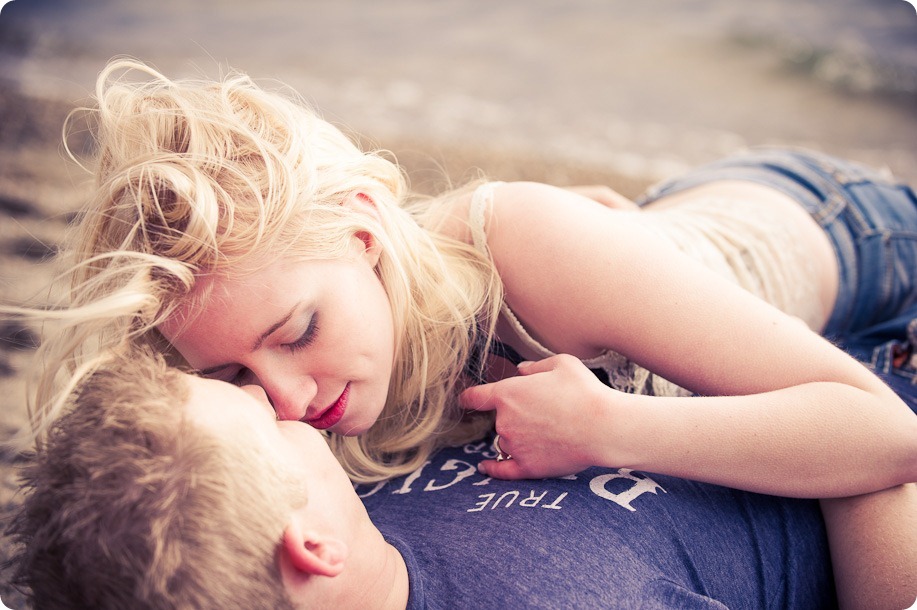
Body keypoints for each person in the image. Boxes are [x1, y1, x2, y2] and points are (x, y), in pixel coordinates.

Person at [8, 59, 917, 606]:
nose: (285, 399)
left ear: (366, 234)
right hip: (643, 281)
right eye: (235, 376)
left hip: (838, 232)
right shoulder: (318, 393)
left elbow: (882, 436)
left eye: (296, 332)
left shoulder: (522, 253)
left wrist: (610, 427)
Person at [7, 353, 839, 609]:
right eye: (257, 417)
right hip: (848, 455)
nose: (269, 395)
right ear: (311, 548)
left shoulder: (354, 508)